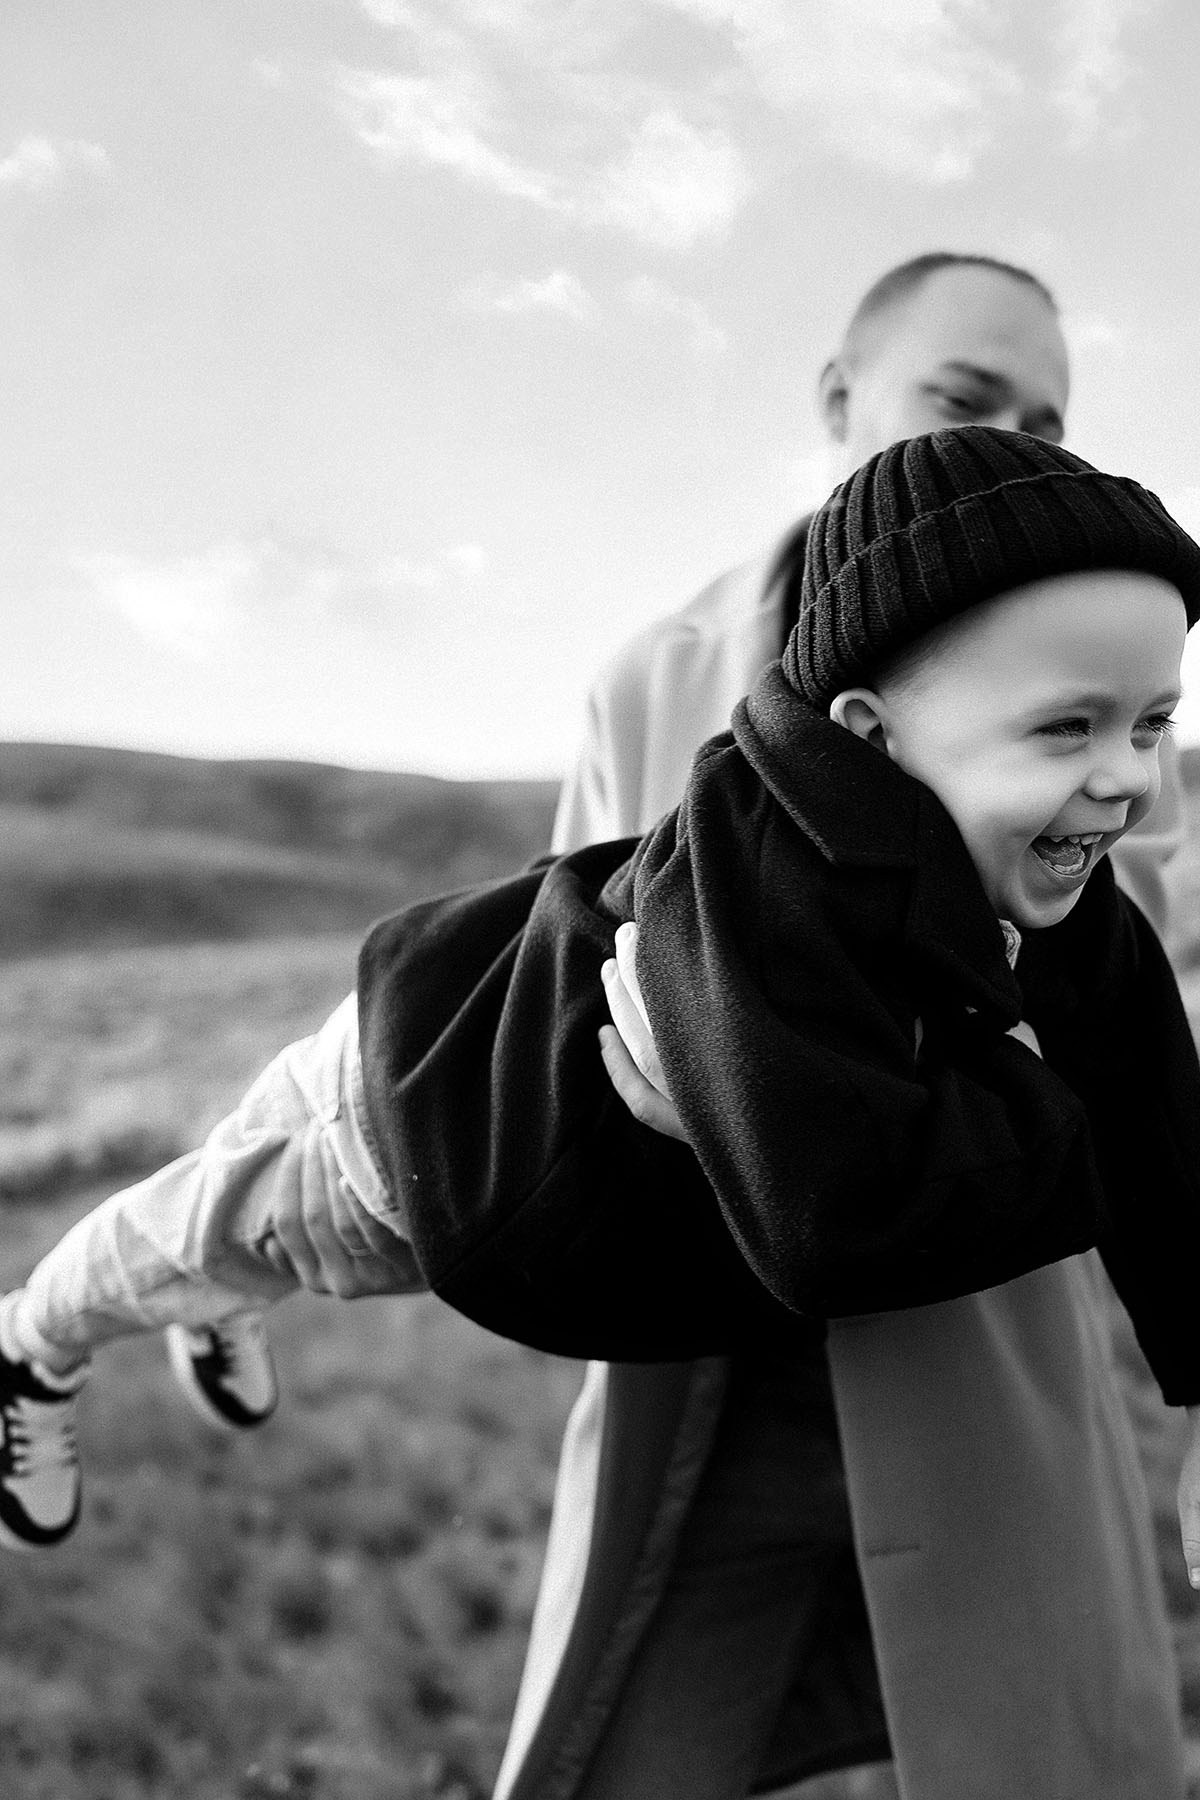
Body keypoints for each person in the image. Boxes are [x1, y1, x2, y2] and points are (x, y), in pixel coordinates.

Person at [2, 427, 1200, 1800]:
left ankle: (212, 1301)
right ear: (873, 731)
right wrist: (1048, 1109)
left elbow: (1149, 1089)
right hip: (416, 1131)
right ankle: (31, 1344)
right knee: (203, 1227)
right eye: (1070, 727)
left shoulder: (1028, 849)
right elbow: (838, 1223)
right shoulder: (761, 883)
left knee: (223, 1235)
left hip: (512, 1098)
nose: (1130, 779)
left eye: (1154, 722)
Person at [512, 250, 1189, 1800]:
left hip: (985, 1379)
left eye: (1048, 418)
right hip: (705, 1402)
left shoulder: (1087, 709)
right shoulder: (652, 679)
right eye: (965, 396)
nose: (1014, 436)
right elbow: (575, 989)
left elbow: (1138, 1021)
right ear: (839, 395)